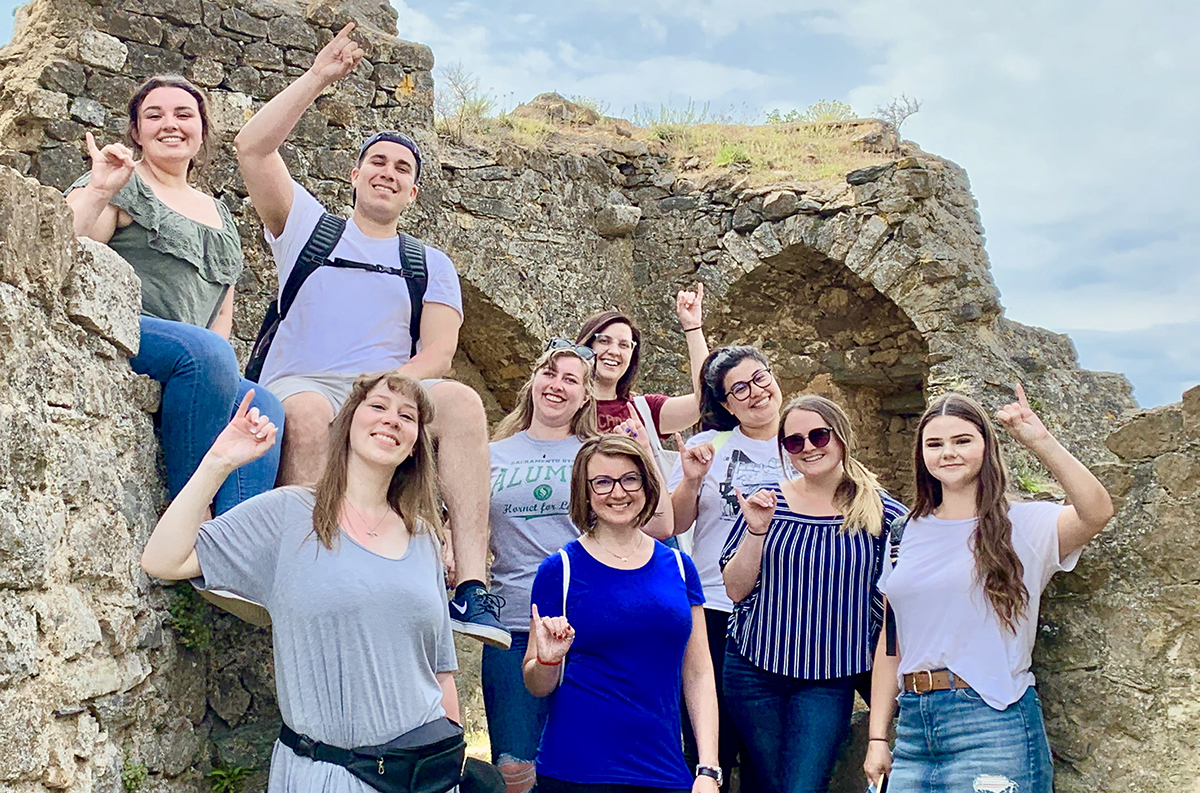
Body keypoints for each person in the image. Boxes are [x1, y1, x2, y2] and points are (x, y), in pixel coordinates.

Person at [233, 22, 506, 647]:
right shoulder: (309, 229)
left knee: (462, 401)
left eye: (402, 167)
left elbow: (437, 350)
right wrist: (319, 76)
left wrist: (387, 386)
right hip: (303, 380)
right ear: (354, 176)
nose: (388, 171)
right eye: (377, 161)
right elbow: (251, 148)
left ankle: (470, 584)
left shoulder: (429, 263)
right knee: (302, 412)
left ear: (412, 191)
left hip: (389, 388)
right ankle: (308, 572)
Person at [140, 372, 465, 792]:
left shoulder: (423, 536)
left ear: (415, 445)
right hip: (326, 774)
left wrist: (450, 765)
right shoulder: (288, 515)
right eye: (379, 407)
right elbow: (163, 559)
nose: (392, 420)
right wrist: (219, 461)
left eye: (408, 416)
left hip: (420, 774)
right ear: (348, 421)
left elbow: (440, 671)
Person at [863, 387, 1114, 793]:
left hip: (991, 721)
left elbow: (1097, 510)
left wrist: (1038, 439)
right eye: (935, 443)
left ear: (985, 446)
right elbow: (891, 643)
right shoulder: (903, 532)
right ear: (921, 454)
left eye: (962, 440)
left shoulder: (1024, 525)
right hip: (912, 729)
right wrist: (877, 737)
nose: (948, 452)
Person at [65, 75, 284, 518]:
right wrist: (100, 188)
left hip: (196, 354)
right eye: (154, 115)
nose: (170, 124)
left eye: (184, 114)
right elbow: (65, 244)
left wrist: (219, 369)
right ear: (136, 131)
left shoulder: (219, 213)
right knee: (208, 354)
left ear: (201, 131)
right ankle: (189, 516)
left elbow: (223, 306)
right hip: (125, 332)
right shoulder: (121, 180)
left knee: (263, 404)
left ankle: (231, 550)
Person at [719, 395, 907, 793]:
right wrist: (756, 530)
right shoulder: (767, 500)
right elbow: (735, 590)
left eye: (818, 435)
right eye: (794, 441)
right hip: (754, 668)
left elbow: (903, 597)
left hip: (827, 676)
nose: (808, 447)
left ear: (840, 438)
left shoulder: (883, 513)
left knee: (803, 786)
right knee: (769, 783)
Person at [524, 435, 720, 793]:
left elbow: (699, 672)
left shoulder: (679, 566)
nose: (618, 492)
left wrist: (708, 768)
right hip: (577, 771)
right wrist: (549, 661)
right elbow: (535, 683)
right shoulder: (559, 570)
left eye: (630, 478)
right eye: (602, 482)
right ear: (584, 492)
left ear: (647, 485)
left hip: (664, 769)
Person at [666, 346, 789, 792]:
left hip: (783, 613)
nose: (756, 392)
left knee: (766, 748)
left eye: (760, 378)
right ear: (725, 404)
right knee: (708, 744)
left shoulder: (804, 440)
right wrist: (693, 480)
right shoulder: (708, 445)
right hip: (715, 607)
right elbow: (675, 524)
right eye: (740, 389)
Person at [483, 342, 598, 793]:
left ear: (586, 395)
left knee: (581, 767)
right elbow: (460, 523)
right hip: (512, 621)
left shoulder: (596, 454)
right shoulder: (490, 453)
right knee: (513, 770)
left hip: (587, 624)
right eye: (550, 374)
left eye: (571, 379)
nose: (557, 385)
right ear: (533, 381)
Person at [573, 283, 708, 439]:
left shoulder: (645, 410)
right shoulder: (563, 405)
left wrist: (693, 327)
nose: (614, 351)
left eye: (624, 345)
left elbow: (704, 400)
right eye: (604, 341)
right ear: (587, 346)